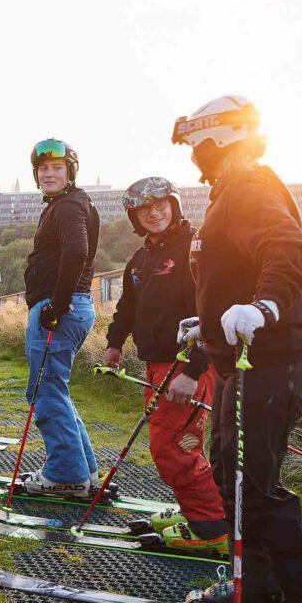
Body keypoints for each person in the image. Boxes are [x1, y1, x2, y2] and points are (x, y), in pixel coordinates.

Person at [173, 96, 302, 603]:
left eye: (196, 146)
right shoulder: (232, 189)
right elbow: (234, 271)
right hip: (254, 362)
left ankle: (278, 590)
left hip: (269, 365)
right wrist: (207, 327)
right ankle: (263, 588)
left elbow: (288, 249)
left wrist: (265, 307)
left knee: (248, 491)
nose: (193, 158)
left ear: (219, 140)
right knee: (244, 485)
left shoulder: (247, 187)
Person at [104, 177, 228, 555]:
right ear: (135, 217)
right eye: (144, 209)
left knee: (171, 448)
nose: (154, 213)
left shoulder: (195, 249)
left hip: (189, 367)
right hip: (156, 364)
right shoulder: (141, 259)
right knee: (184, 443)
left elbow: (212, 312)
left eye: (160, 205)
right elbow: (128, 307)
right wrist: (113, 343)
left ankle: (212, 530)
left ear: (173, 205)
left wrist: (192, 371)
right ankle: (200, 512)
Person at [20, 138, 100, 498]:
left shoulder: (68, 206)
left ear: (70, 171)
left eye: (57, 168)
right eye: (43, 169)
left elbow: (78, 250)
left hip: (61, 309)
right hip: (68, 306)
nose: (49, 174)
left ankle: (66, 473)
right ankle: (83, 470)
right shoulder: (65, 204)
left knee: (45, 390)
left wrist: (57, 304)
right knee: (55, 388)